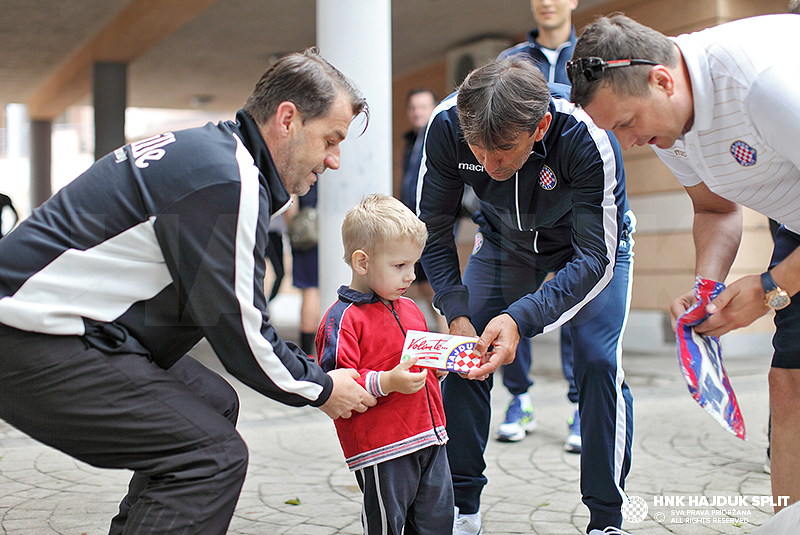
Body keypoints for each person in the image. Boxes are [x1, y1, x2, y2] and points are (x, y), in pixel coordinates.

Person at [0, 48, 377, 535]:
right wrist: (323, 387)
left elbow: (202, 303)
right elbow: (240, 331)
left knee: (212, 405)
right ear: (288, 119)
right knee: (210, 456)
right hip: (28, 335)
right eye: (331, 138)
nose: (334, 159)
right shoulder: (227, 179)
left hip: (66, 329)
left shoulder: (213, 156)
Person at [567, 12, 800, 514]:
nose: (628, 143)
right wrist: (708, 287)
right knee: (790, 383)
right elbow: (716, 209)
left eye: (626, 124)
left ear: (662, 79)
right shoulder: (668, 122)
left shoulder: (759, 84)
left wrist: (770, 288)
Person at [416, 56, 635, 535]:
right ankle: (461, 507)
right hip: (503, 242)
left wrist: (521, 317)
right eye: (480, 150)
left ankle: (606, 519)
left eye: (504, 151)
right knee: (464, 357)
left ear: (540, 127)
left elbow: (594, 258)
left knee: (598, 362)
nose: (491, 168)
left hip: (589, 248)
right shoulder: (446, 125)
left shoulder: (586, 136)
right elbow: (430, 230)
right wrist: (454, 311)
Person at [316, 193, 453, 534]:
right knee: (386, 525)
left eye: (413, 265)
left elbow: (416, 364)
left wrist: (437, 367)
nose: (410, 276)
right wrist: (388, 382)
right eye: (399, 266)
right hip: (382, 448)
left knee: (438, 522)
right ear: (362, 263)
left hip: (431, 437)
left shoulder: (408, 307)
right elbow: (335, 386)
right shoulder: (341, 319)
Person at [494, 0, 582, 450]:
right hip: (523, 213)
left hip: (575, 207)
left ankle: (580, 407)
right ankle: (520, 398)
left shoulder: (588, 56)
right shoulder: (511, 62)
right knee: (512, 305)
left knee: (577, 305)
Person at [399, 88, 448, 334]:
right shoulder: (410, 142)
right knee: (419, 285)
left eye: (423, 107)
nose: (418, 112)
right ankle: (438, 335)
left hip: (431, 225)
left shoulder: (438, 138)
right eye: (413, 108)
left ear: (434, 109)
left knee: (432, 285)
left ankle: (449, 337)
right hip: (411, 225)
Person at [289, 182, 321, 356]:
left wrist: (293, 227)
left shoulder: (310, 157)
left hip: (308, 229)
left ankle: (307, 354)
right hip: (333, 224)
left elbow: (291, 199)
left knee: (310, 289)